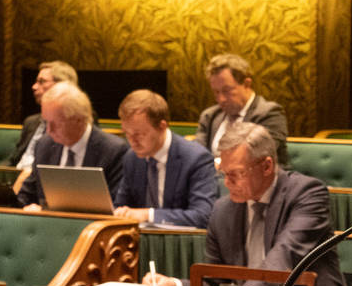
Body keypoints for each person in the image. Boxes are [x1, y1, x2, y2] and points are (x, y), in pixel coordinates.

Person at [142, 124, 348, 286]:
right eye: (224, 173)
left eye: (236, 174)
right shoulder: (223, 210)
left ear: (267, 166)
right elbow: (216, 282)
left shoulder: (307, 194)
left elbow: (285, 254)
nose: (227, 182)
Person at [113, 89, 219, 228]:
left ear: (162, 126)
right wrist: (121, 213)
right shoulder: (131, 158)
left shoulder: (196, 158)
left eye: (139, 134)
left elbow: (203, 216)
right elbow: (122, 205)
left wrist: (149, 215)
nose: (132, 141)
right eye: (127, 133)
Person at [16, 83, 127, 210]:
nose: (49, 130)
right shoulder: (44, 145)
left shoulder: (113, 151)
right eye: (46, 122)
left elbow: (116, 207)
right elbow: (26, 195)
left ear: (79, 120)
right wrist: (28, 207)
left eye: (55, 124)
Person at [193, 53, 288, 159]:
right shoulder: (209, 116)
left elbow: (258, 158)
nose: (221, 99)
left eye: (226, 90)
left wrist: (216, 166)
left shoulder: (269, 113)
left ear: (247, 84)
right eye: (216, 92)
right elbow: (197, 156)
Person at [9, 60, 77, 169]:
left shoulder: (78, 120)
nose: (34, 87)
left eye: (42, 82)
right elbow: (13, 161)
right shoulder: (31, 122)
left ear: (62, 85)